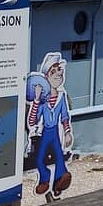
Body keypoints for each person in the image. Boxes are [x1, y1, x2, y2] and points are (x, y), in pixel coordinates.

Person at [27, 52, 73, 196]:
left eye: (59, 70)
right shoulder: (42, 101)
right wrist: (36, 100)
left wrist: (67, 132)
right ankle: (44, 179)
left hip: (55, 132)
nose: (58, 74)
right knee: (40, 159)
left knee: (59, 157)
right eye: (53, 71)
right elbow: (33, 120)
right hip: (45, 132)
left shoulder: (62, 96)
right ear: (46, 77)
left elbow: (64, 116)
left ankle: (60, 180)